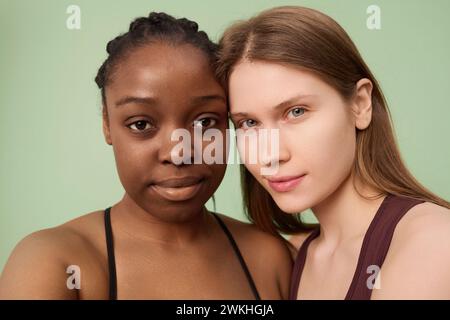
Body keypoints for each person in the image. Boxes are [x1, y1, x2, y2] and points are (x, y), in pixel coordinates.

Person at [0, 12, 292, 300]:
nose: (178, 153)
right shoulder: (55, 263)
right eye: (141, 124)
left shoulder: (270, 258)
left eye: (204, 122)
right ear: (107, 125)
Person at [216, 6, 450, 299]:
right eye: (248, 123)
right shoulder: (295, 254)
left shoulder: (433, 243)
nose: (270, 154)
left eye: (296, 111)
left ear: (360, 104)